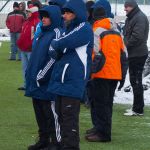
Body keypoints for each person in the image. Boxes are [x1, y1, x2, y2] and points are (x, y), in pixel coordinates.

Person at [47, 0, 93, 149]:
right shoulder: (69, 29)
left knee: (69, 121)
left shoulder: (84, 28)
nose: (64, 15)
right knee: (61, 118)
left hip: (73, 82)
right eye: (64, 12)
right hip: (62, 81)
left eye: (67, 12)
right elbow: (56, 50)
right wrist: (56, 45)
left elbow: (60, 43)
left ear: (76, 13)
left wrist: (56, 43)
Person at [25, 5, 63, 150]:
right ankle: (43, 140)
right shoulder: (42, 33)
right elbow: (36, 56)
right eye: (42, 16)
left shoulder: (57, 32)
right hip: (35, 81)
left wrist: (41, 75)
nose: (43, 19)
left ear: (53, 17)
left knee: (50, 114)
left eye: (46, 16)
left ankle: (55, 143)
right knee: (39, 113)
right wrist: (30, 74)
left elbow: (54, 57)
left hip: (47, 82)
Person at [85, 6, 124, 142]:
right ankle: (100, 128)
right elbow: (123, 54)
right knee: (107, 104)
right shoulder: (117, 31)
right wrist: (123, 74)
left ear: (94, 17)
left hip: (101, 73)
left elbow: (93, 52)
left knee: (99, 104)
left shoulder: (96, 31)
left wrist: (90, 71)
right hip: (115, 73)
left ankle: (103, 134)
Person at [123, 0, 149, 116]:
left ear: (132, 7)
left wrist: (124, 45)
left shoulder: (139, 17)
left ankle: (138, 109)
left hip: (138, 54)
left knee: (136, 81)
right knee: (134, 81)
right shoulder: (133, 16)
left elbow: (137, 37)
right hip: (134, 53)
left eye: (126, 7)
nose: (124, 9)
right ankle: (137, 107)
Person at [17, 6, 40, 91]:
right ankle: (26, 85)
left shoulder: (36, 22)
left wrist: (32, 46)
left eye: (29, 12)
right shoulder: (26, 22)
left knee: (32, 68)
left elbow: (35, 37)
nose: (27, 13)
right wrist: (19, 42)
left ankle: (32, 86)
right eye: (27, 12)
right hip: (23, 49)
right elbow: (23, 34)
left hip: (31, 50)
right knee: (25, 68)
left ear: (34, 13)